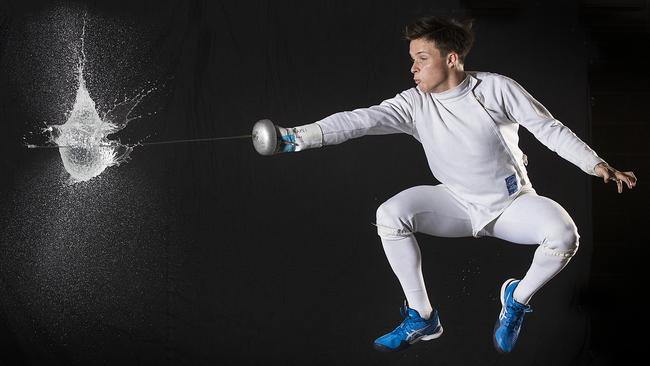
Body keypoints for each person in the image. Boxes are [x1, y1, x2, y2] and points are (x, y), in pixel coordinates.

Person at [251, 16, 637, 354]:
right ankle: (422, 317)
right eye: (411, 61)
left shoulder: (495, 89)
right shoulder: (413, 103)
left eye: (421, 59)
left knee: (564, 236)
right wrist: (294, 137)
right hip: (455, 202)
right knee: (390, 215)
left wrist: (596, 164)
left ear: (451, 59)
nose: (413, 70)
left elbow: (548, 128)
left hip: (511, 204)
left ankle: (516, 300)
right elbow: (359, 121)